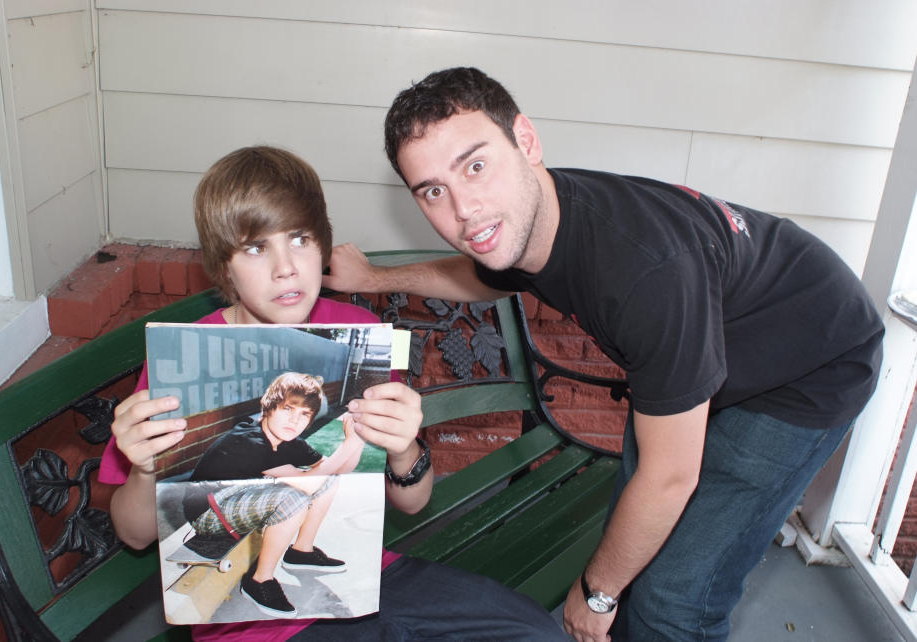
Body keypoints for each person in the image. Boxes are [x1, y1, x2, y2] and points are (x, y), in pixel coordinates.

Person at [322, 67, 885, 642]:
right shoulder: (530, 214)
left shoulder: (645, 274)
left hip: (810, 364)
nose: (463, 209)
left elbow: (669, 477)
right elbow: (482, 279)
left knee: (673, 601)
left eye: (475, 165)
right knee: (639, 544)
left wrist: (595, 593)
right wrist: (373, 276)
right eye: (433, 191)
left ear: (527, 141)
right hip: (713, 348)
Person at [100, 145, 568, 640]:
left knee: (535, 633)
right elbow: (133, 533)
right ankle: (268, 577)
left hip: (373, 581)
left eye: (299, 239)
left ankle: (300, 550)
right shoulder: (184, 356)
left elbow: (411, 504)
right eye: (256, 248)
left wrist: (404, 448)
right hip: (251, 624)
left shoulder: (357, 331)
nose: (286, 268)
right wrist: (147, 468)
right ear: (224, 265)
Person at [182, 372, 363, 618]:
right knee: (294, 497)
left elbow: (337, 470)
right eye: (288, 409)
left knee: (327, 481)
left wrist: (359, 438)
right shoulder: (250, 441)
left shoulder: (287, 439)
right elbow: (307, 485)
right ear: (269, 407)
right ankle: (259, 581)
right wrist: (348, 446)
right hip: (207, 512)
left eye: (304, 414)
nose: (294, 420)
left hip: (241, 496)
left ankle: (302, 551)